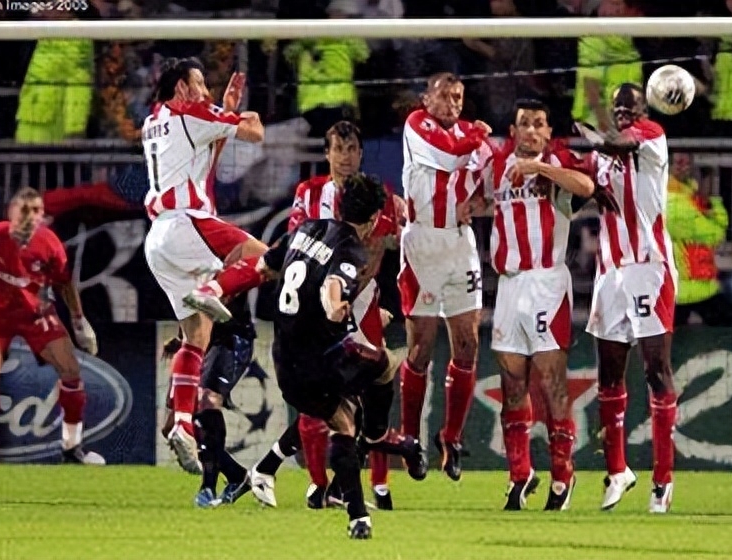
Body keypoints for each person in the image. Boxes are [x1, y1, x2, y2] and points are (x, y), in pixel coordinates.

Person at [262, 173, 426, 539]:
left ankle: (358, 518)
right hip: (322, 361)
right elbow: (334, 285)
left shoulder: (306, 229)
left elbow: (267, 264)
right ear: (373, 219)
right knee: (384, 365)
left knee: (342, 420)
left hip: (283, 362)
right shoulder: (352, 249)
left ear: (338, 206)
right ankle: (378, 432)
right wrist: (335, 306)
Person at [140, 56, 266, 474]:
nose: (205, 91)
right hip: (186, 222)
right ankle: (214, 288)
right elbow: (255, 133)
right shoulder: (190, 111)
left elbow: (202, 162)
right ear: (181, 87)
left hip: (157, 240)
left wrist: (223, 113)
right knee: (265, 258)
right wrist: (242, 114)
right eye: (199, 83)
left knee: (196, 336)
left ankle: (181, 424)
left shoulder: (153, 121)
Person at [571, 83, 679, 513]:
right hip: (610, 273)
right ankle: (617, 471)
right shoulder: (601, 157)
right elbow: (584, 180)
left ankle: (663, 481)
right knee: (610, 374)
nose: (623, 114)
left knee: (656, 369)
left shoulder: (651, 137)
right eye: (617, 109)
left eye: (629, 108)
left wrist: (593, 117)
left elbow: (619, 142)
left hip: (649, 267)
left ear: (643, 111)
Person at [487, 100, 595, 511]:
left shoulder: (557, 160)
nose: (531, 131)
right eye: (524, 124)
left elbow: (586, 187)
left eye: (539, 124)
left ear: (549, 132)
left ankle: (563, 475)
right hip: (509, 284)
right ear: (513, 131)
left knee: (551, 382)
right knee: (512, 383)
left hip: (547, 281)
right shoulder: (498, 165)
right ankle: (519, 475)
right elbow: (482, 199)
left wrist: (541, 169)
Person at [0, 187, 103, 465]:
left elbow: (65, 283)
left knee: (71, 370)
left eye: (37, 211)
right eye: (25, 210)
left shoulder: (50, 242)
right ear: (11, 212)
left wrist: (79, 321)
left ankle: (72, 448)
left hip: (36, 314)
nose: (31, 216)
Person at [398, 72, 494, 480]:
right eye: (444, 96)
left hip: (459, 243)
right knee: (420, 347)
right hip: (422, 244)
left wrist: (481, 201)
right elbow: (449, 154)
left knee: (468, 344)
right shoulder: (418, 125)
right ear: (427, 99)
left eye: (458, 97)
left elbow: (491, 187)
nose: (452, 103)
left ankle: (450, 438)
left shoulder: (474, 140)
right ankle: (409, 437)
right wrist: (478, 135)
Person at [159, 293, 255, 507]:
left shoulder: (226, 272)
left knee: (207, 400)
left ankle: (208, 487)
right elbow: (189, 305)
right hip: (196, 345)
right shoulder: (184, 275)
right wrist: (181, 338)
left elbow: (214, 297)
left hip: (230, 339)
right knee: (173, 426)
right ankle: (236, 475)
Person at [666, 152, 732, 327]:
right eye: (678, 163)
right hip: (678, 288)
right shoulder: (669, 199)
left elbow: (721, 226)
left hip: (703, 285)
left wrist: (711, 202)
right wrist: (710, 207)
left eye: (687, 163)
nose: (683, 167)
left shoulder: (693, 195)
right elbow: (714, 234)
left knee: (728, 325)